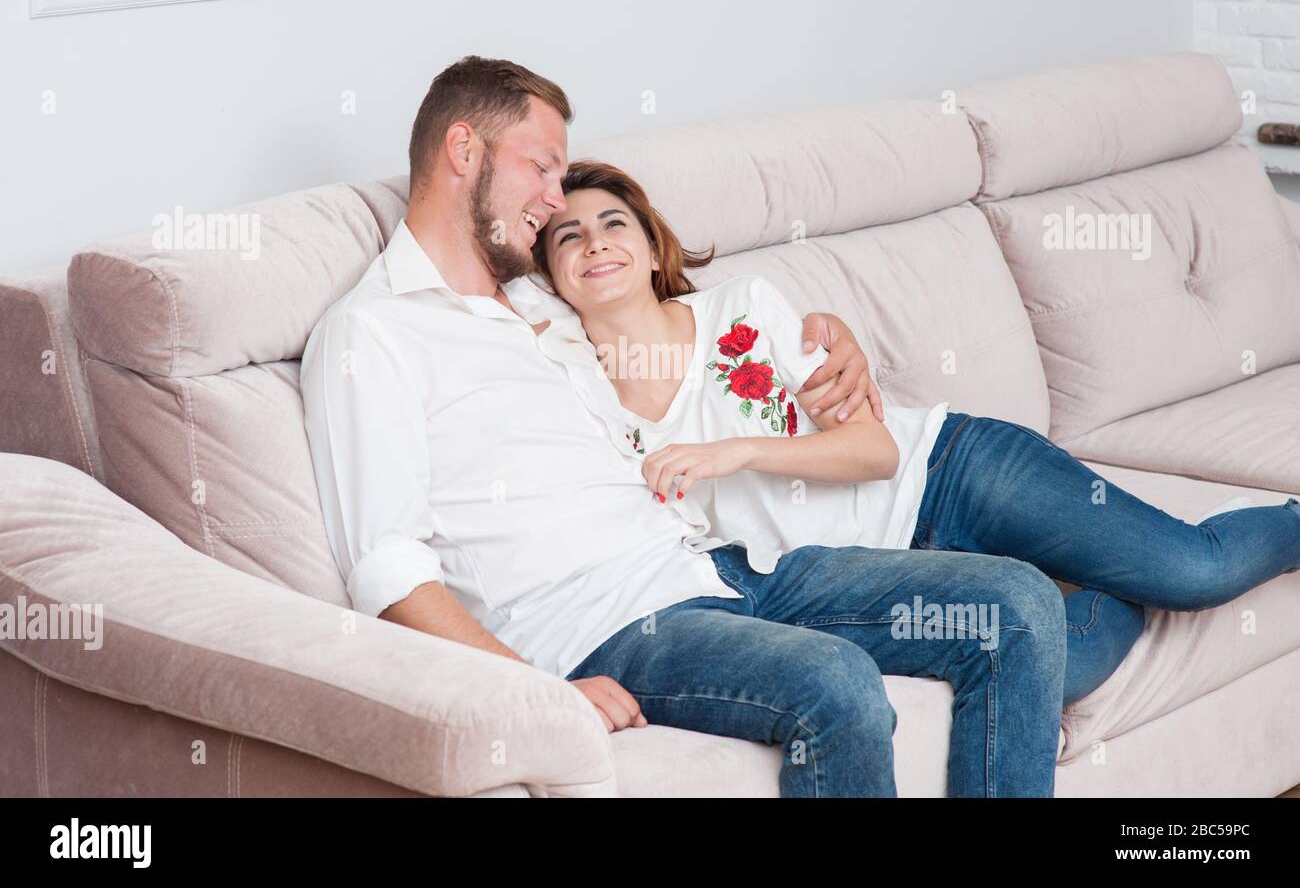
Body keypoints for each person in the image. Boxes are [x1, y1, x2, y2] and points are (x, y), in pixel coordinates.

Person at [301, 55, 1072, 797]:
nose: (553, 196)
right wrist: (539, 689)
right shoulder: (372, 333)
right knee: (835, 684)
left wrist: (832, 335)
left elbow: (688, 322)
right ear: (462, 148)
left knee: (1017, 604)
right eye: (541, 166)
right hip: (609, 622)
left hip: (720, 562)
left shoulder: (540, 301)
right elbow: (389, 570)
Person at [526, 158, 1300, 704]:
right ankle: (1117, 586)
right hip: (890, 574)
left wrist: (737, 450)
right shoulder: (579, 392)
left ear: (652, 243)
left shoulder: (740, 309)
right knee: (1039, 672)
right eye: (567, 236)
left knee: (1194, 571)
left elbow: (875, 450)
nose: (594, 242)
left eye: (612, 222)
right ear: (551, 277)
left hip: (955, 473)